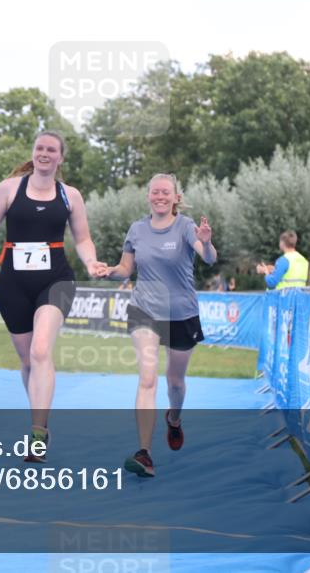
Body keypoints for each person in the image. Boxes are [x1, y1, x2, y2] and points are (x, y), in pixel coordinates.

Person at [0, 131, 108, 462]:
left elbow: (83, 238)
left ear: (60, 157)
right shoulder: (9, 188)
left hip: (56, 280)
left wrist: (91, 262)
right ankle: (40, 421)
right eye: (39, 148)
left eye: (51, 149)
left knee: (40, 349)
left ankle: (37, 433)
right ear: (33, 152)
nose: (44, 153)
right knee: (27, 361)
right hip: (13, 283)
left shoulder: (70, 195)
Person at [104, 174, 217, 477]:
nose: (160, 196)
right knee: (147, 378)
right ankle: (144, 453)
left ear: (176, 197)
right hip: (144, 310)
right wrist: (109, 271)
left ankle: (174, 420)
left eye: (166, 192)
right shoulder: (137, 229)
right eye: (155, 192)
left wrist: (206, 242)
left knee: (175, 383)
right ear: (148, 197)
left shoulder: (186, 226)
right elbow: (125, 269)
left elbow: (208, 257)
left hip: (181, 313)